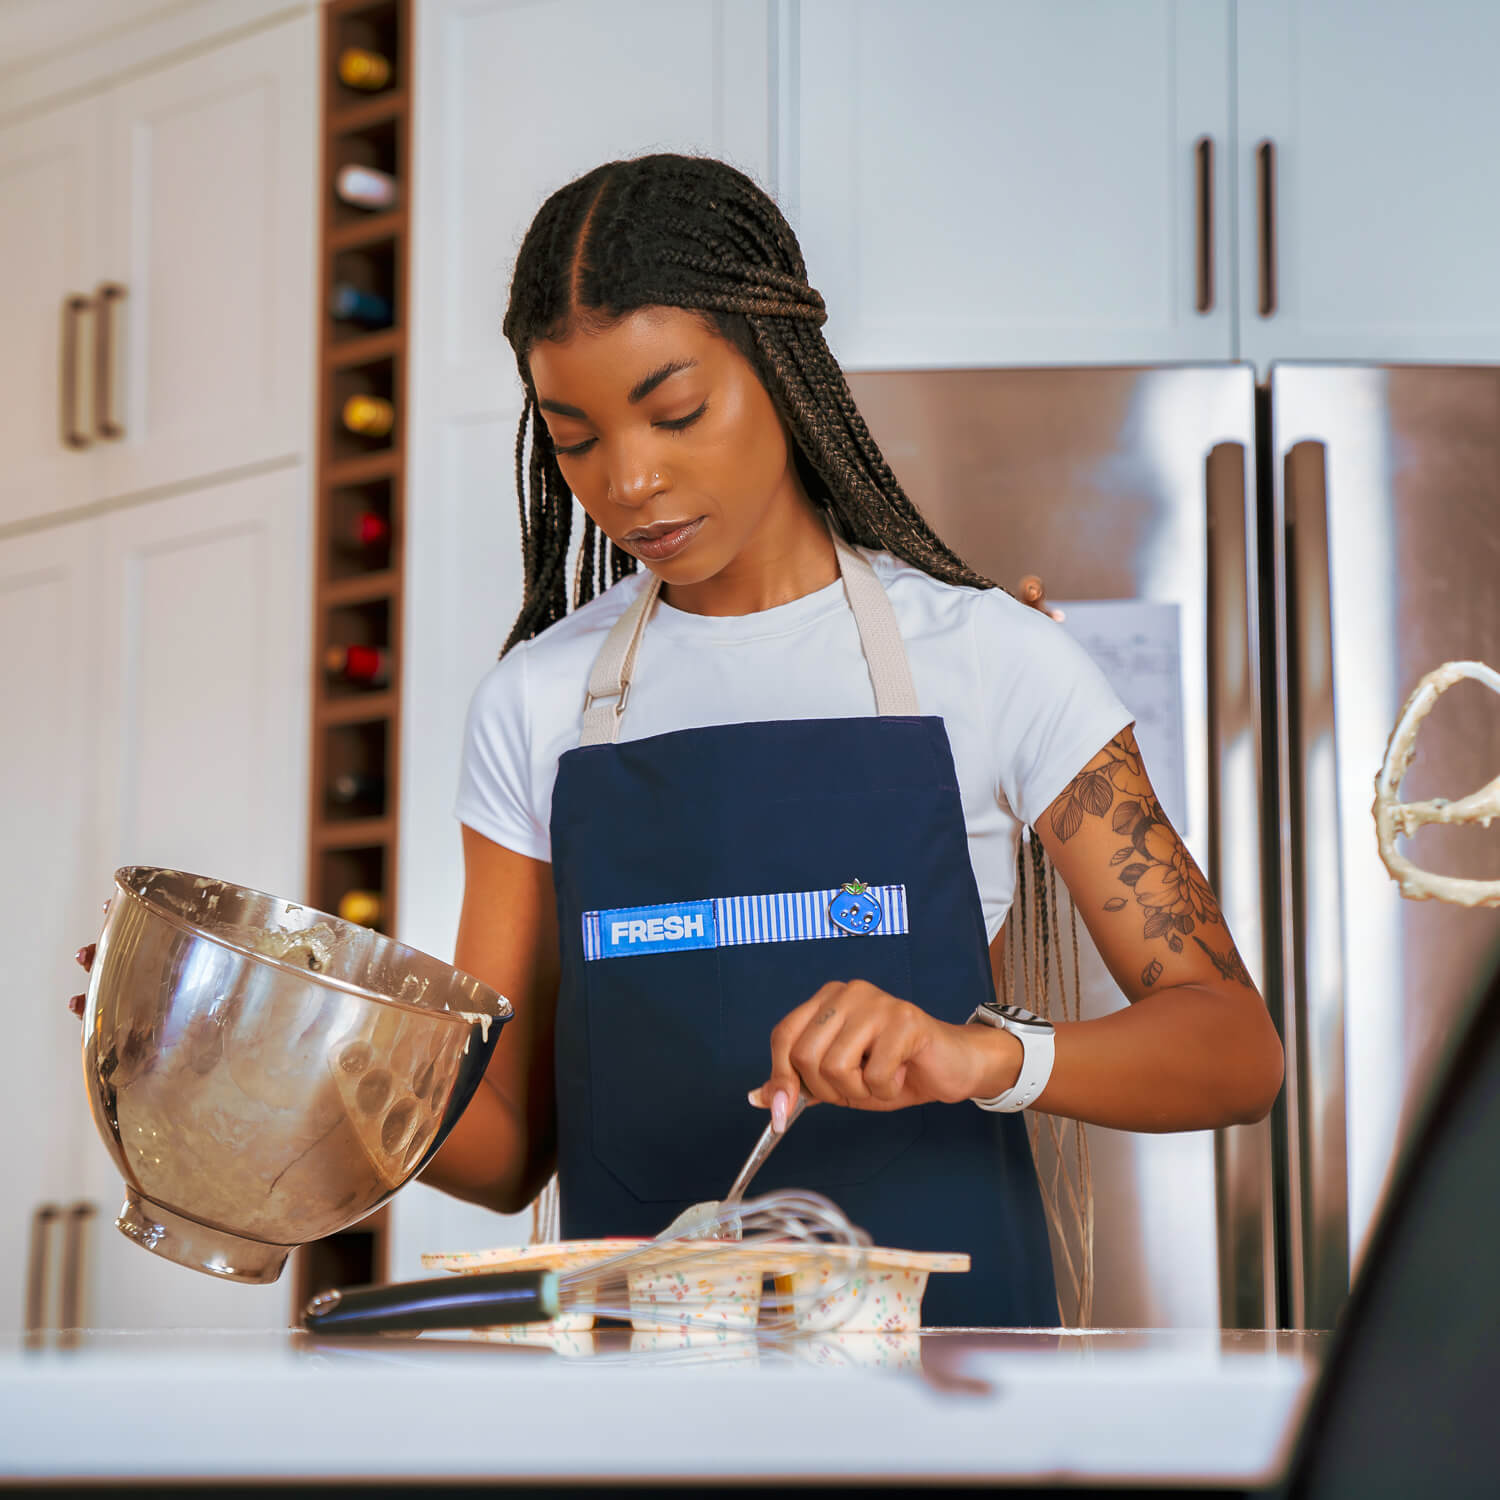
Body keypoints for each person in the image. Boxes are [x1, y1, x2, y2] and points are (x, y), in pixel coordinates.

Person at [74, 154, 1284, 1327]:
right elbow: (506, 1148)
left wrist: (977, 1056)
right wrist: (279, 1052)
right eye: (576, 436)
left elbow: (1234, 1048)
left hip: (949, 1389)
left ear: (784, 371)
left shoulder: (990, 658)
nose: (630, 482)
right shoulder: (538, 705)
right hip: (646, 1404)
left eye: (677, 411)